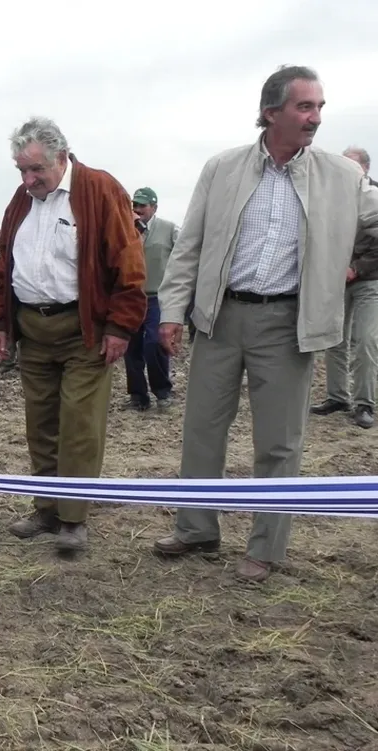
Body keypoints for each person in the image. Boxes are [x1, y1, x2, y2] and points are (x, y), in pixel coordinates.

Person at [154, 65, 378, 582]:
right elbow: (189, 248)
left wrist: (357, 266)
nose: (316, 118)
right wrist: (171, 312)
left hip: (288, 324)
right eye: (305, 107)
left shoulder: (342, 176)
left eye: (320, 107)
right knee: (202, 431)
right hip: (220, 318)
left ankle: (266, 550)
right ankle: (196, 529)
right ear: (271, 111)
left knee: (279, 443)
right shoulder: (222, 168)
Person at [0, 117, 146, 555]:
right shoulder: (21, 201)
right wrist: (0, 321)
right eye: (21, 170)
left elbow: (128, 263)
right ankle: (45, 508)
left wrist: (120, 326)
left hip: (85, 334)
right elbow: (5, 266)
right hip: (33, 332)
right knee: (40, 424)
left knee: (79, 424)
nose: (28, 179)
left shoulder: (99, 190)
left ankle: (73, 519)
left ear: (62, 157)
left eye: (36, 169)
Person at [310, 146, 378, 429]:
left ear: (365, 169)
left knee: (366, 340)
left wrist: (356, 268)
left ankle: (365, 403)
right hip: (337, 281)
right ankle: (338, 396)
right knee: (334, 338)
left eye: (351, 166)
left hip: (370, 281)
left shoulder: (374, 200)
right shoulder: (331, 200)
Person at [124, 187, 179, 411]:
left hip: (158, 297)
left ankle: (163, 392)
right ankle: (138, 396)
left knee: (154, 343)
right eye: (134, 206)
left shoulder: (169, 229)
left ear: (154, 208)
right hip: (131, 298)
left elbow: (184, 255)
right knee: (131, 347)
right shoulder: (125, 229)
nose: (137, 210)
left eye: (142, 206)